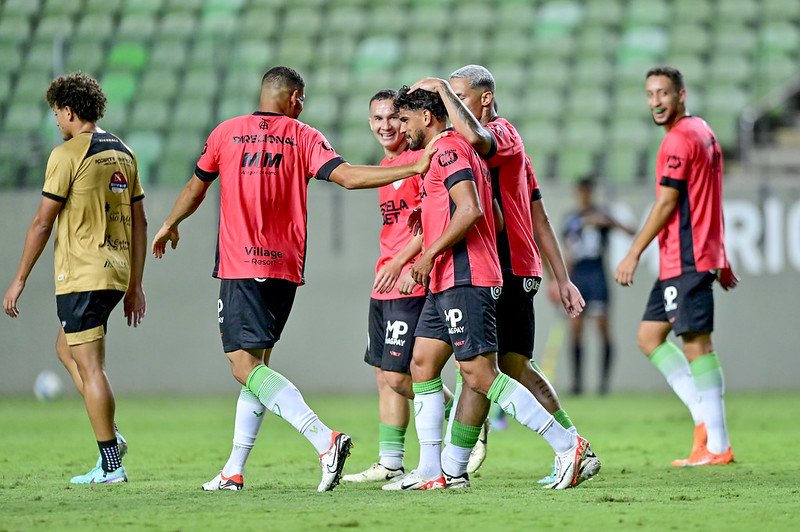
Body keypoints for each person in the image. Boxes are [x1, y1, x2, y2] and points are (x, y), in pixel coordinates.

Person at [151, 66, 438, 492]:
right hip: (284, 269)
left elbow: (197, 186)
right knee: (258, 366)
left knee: (242, 366)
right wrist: (412, 167)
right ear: (296, 98)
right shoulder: (304, 137)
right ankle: (233, 469)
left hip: (240, 265)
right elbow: (348, 178)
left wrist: (171, 222)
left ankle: (325, 440)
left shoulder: (226, 133)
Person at [381, 86, 591, 491]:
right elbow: (488, 208)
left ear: (427, 118)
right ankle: (434, 469)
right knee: (422, 362)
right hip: (444, 277)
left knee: (482, 373)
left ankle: (568, 444)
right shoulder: (442, 155)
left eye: (405, 119)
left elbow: (477, 211)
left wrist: (428, 253)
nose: (399, 128)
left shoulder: (452, 150)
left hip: (466, 276)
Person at [3, 72, 147, 484]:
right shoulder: (123, 151)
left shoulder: (67, 155)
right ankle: (111, 437)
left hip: (82, 274)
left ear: (69, 111)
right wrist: (135, 284)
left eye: (56, 113)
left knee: (91, 366)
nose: (55, 121)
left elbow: (41, 223)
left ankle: (111, 464)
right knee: (65, 350)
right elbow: (140, 221)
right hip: (115, 272)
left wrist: (19, 280)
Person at [615, 66, 738, 466]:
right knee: (649, 336)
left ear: (681, 95)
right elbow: (711, 197)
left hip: (686, 258)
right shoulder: (704, 131)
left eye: (663, 93)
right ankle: (704, 421)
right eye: (650, 94)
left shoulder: (678, 141)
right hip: (692, 256)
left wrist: (633, 252)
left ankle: (717, 444)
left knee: (696, 344)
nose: (656, 101)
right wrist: (721, 254)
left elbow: (667, 203)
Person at [342, 89, 453, 483]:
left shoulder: (419, 163)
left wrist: (405, 263)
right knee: (381, 372)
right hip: (384, 281)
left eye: (393, 117)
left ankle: (456, 415)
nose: (386, 125)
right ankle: (391, 460)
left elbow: (437, 220)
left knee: (400, 376)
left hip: (408, 280)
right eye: (377, 119)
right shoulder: (386, 166)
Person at [562, 176, 635, 395]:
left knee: (603, 328)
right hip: (579, 274)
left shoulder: (601, 214)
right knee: (576, 330)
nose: (584, 195)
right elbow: (566, 250)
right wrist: (562, 281)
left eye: (587, 191)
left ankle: (603, 385)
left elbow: (630, 231)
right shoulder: (571, 219)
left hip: (597, 273)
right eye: (581, 191)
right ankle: (577, 384)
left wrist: (607, 221)